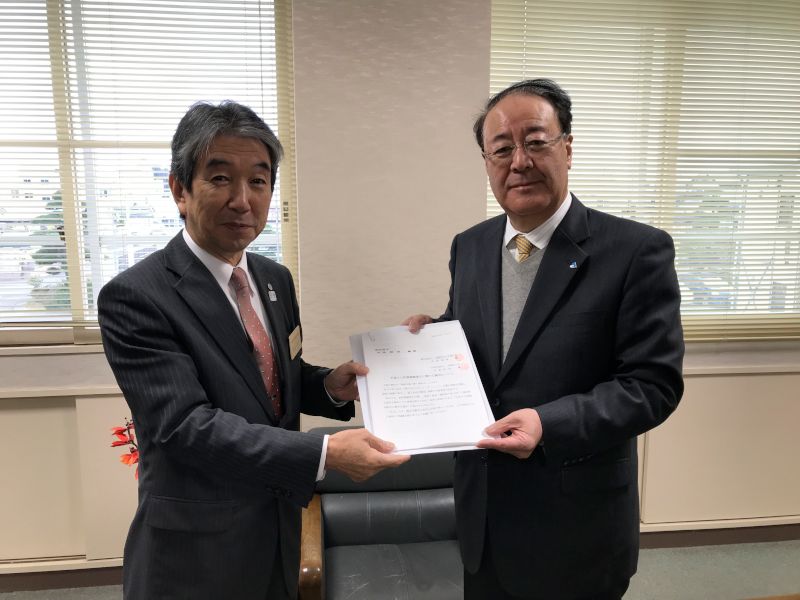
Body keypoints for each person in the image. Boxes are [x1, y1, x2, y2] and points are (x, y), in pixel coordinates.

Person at [98, 101, 409, 600]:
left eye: (258, 181)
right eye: (220, 178)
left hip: (278, 530)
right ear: (179, 189)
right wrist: (325, 452)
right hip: (195, 553)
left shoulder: (273, 279)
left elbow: (269, 380)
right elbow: (184, 426)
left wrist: (329, 386)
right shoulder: (137, 295)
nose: (242, 200)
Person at [404, 79, 684, 600]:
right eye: (502, 149)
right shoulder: (470, 246)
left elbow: (652, 385)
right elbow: (484, 342)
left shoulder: (635, 250)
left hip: (576, 527)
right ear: (486, 162)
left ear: (568, 148)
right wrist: (429, 341)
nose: (519, 162)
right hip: (483, 519)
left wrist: (547, 423)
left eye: (535, 142)